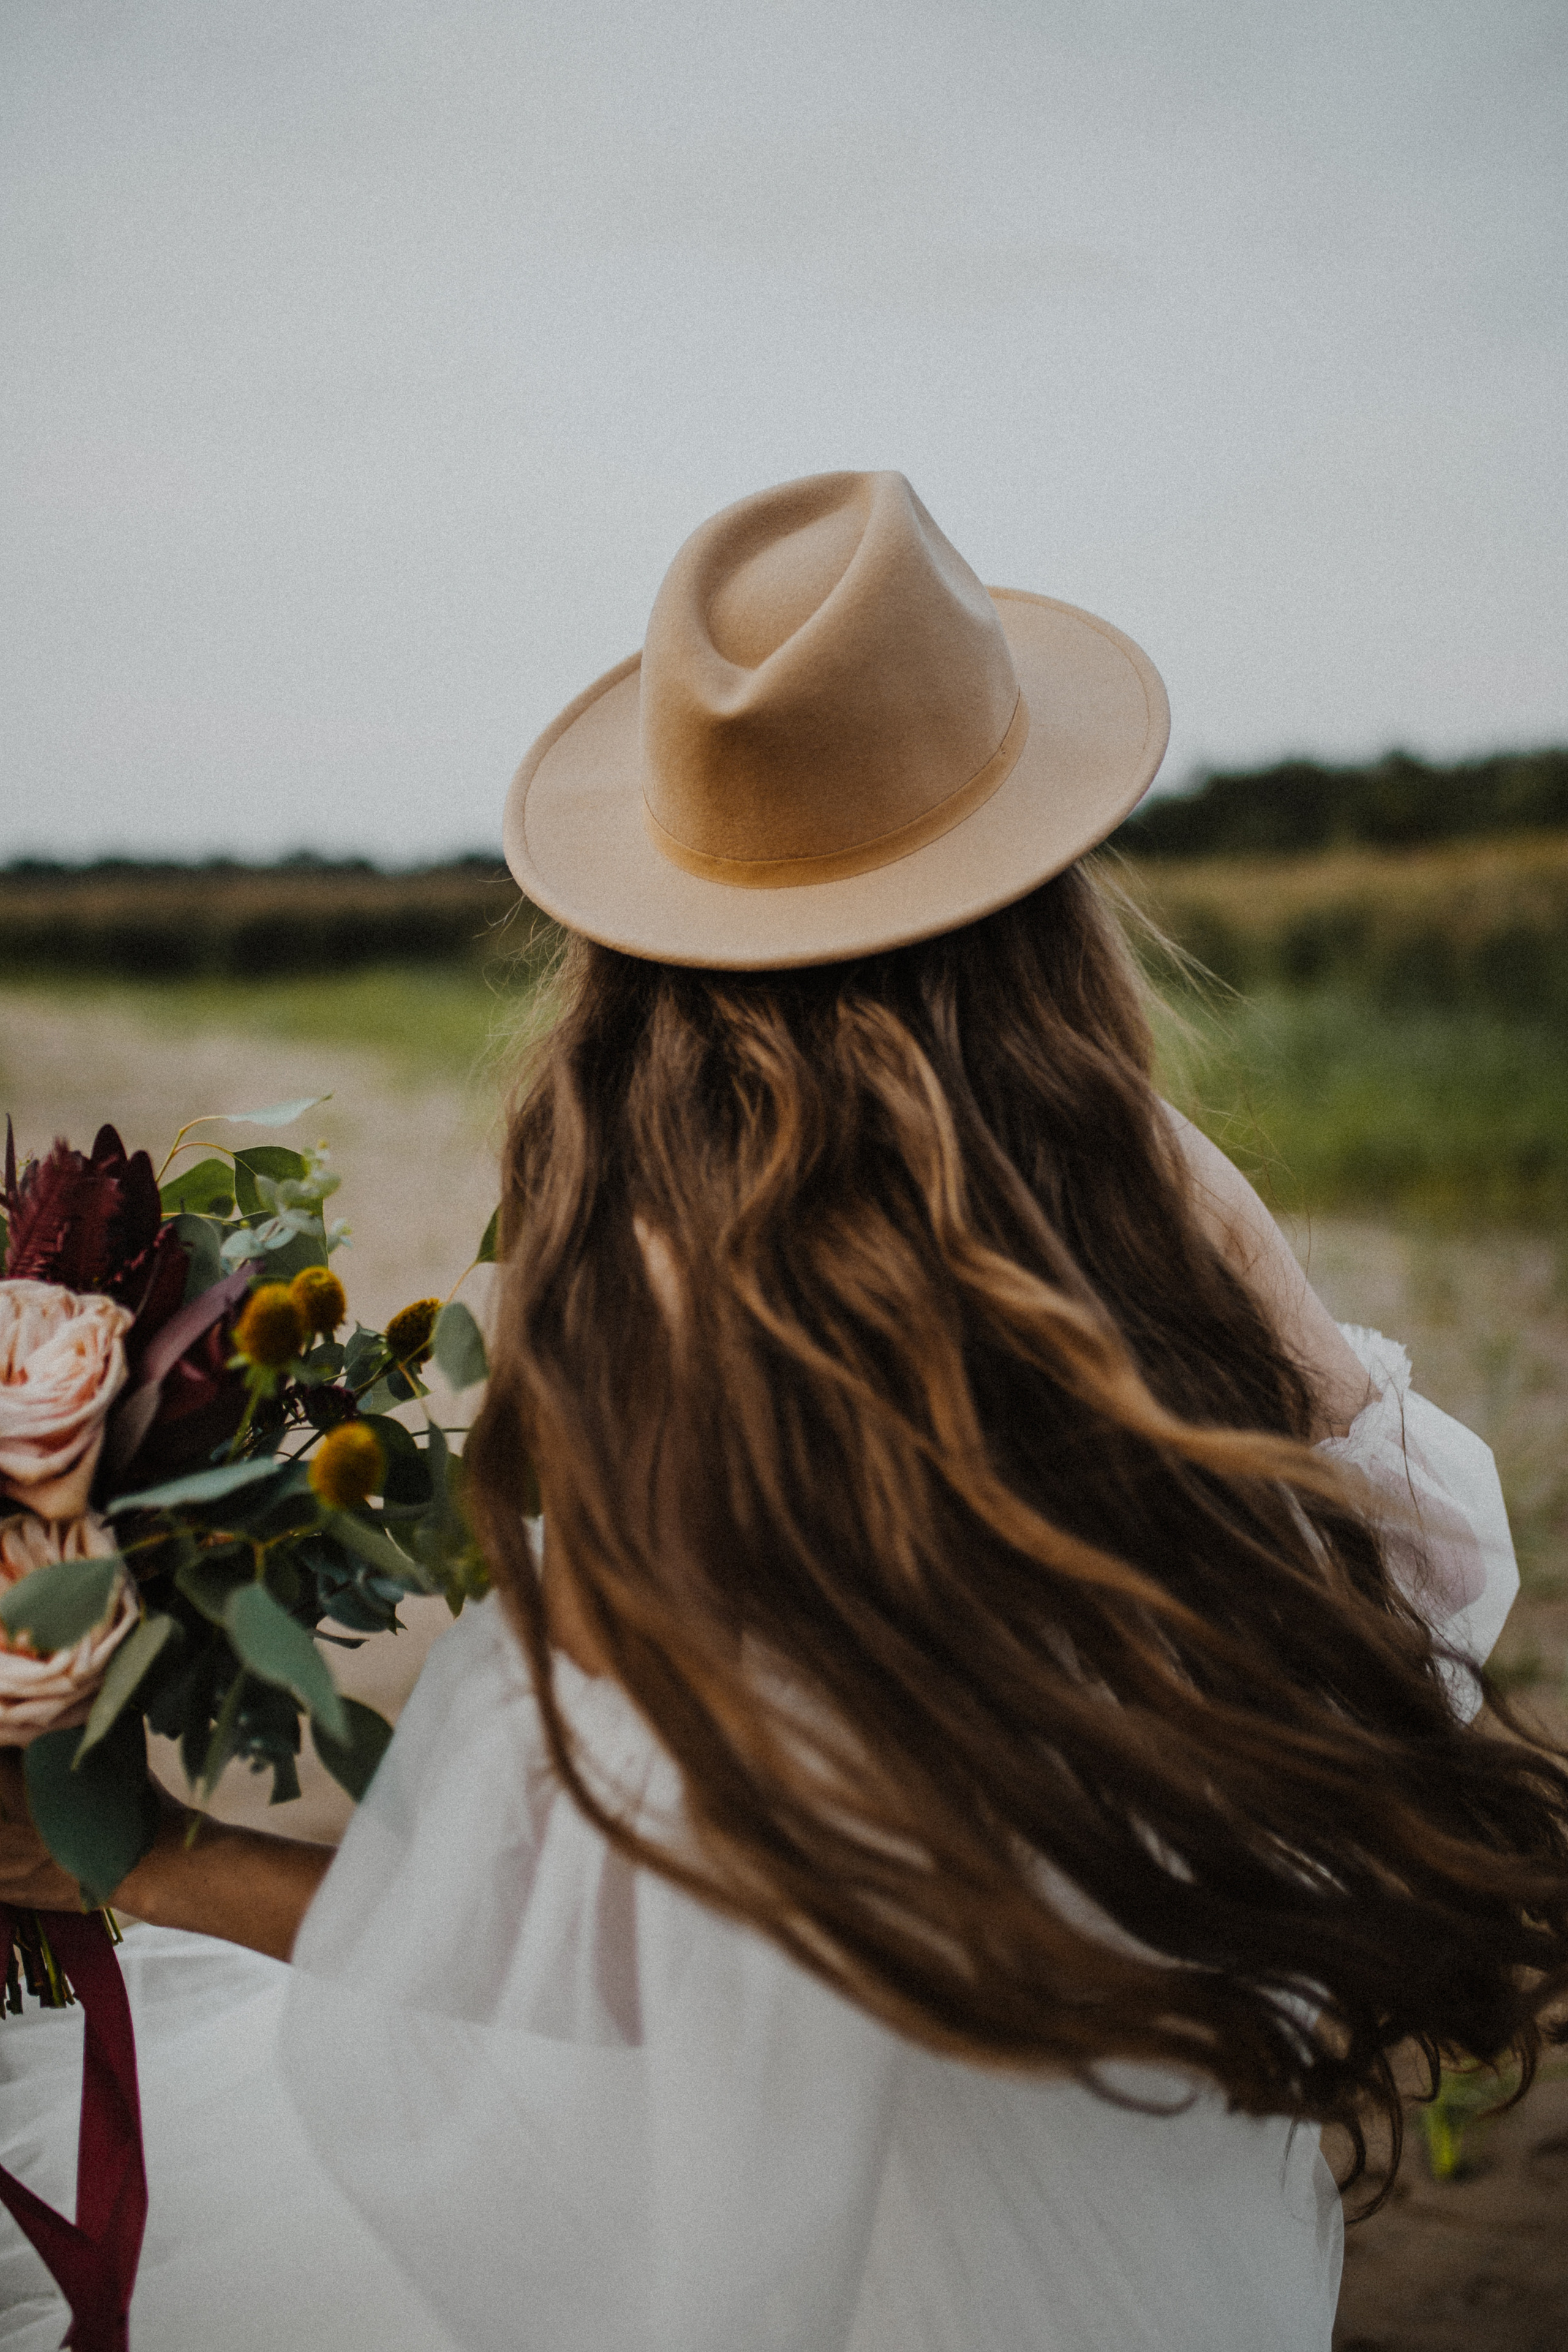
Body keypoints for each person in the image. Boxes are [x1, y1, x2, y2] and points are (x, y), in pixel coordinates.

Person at [1, 470, 1564, 2352]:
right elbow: (1440, 1596)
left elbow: (609, 1976)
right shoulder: (1154, 1188)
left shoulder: (648, 1300)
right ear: (1040, 882)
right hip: (1143, 2202)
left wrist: (149, 1861)